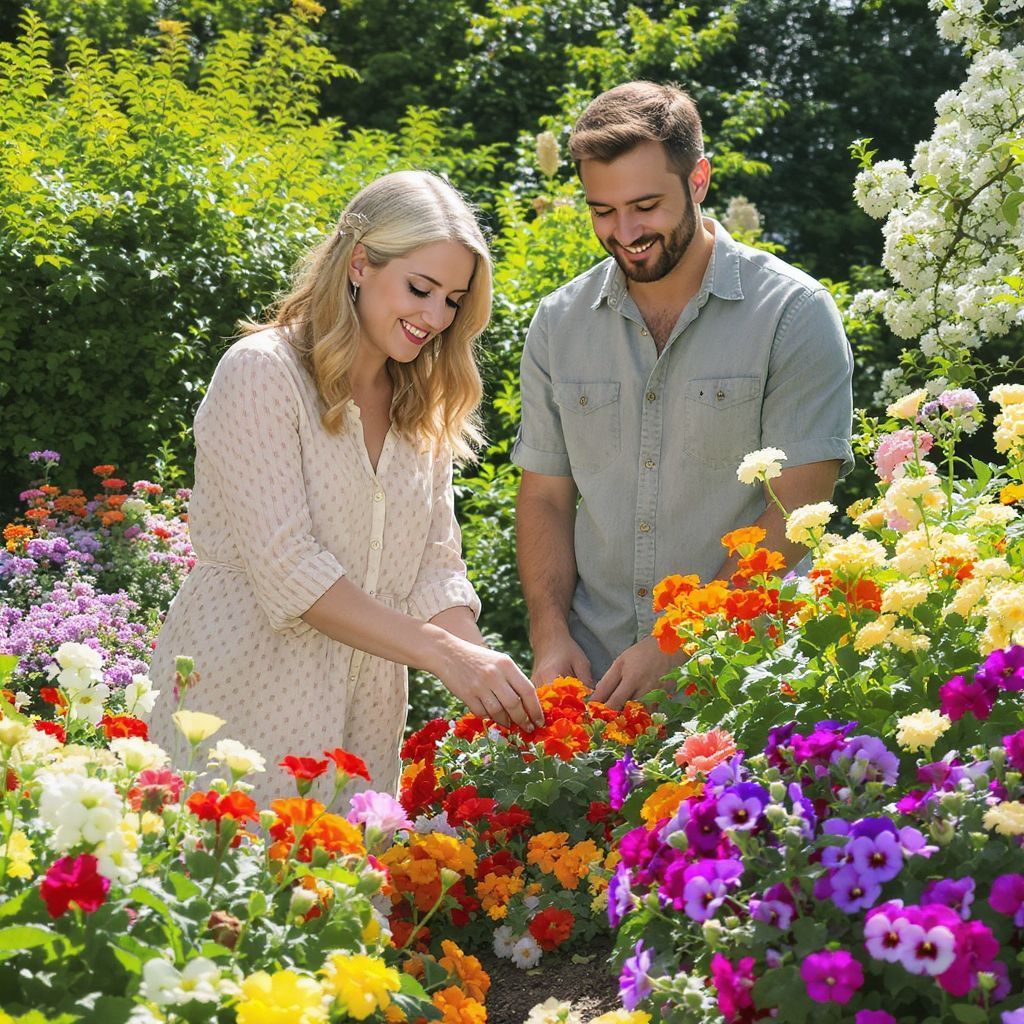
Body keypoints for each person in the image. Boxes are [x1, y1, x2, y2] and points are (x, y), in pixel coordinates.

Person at [150, 170, 543, 803]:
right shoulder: (262, 374)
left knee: (341, 898)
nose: (436, 317)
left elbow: (433, 573)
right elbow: (290, 570)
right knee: (226, 894)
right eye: (420, 288)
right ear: (359, 263)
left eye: (452, 300)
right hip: (241, 699)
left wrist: (491, 680)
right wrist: (446, 656)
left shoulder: (423, 404)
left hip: (363, 716)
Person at [513, 82, 854, 710]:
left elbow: (799, 512)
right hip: (597, 681)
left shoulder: (793, 313)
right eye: (602, 211)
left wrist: (684, 638)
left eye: (646, 205)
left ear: (698, 179)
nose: (625, 232)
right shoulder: (559, 324)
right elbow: (545, 498)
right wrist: (549, 633)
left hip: (750, 683)